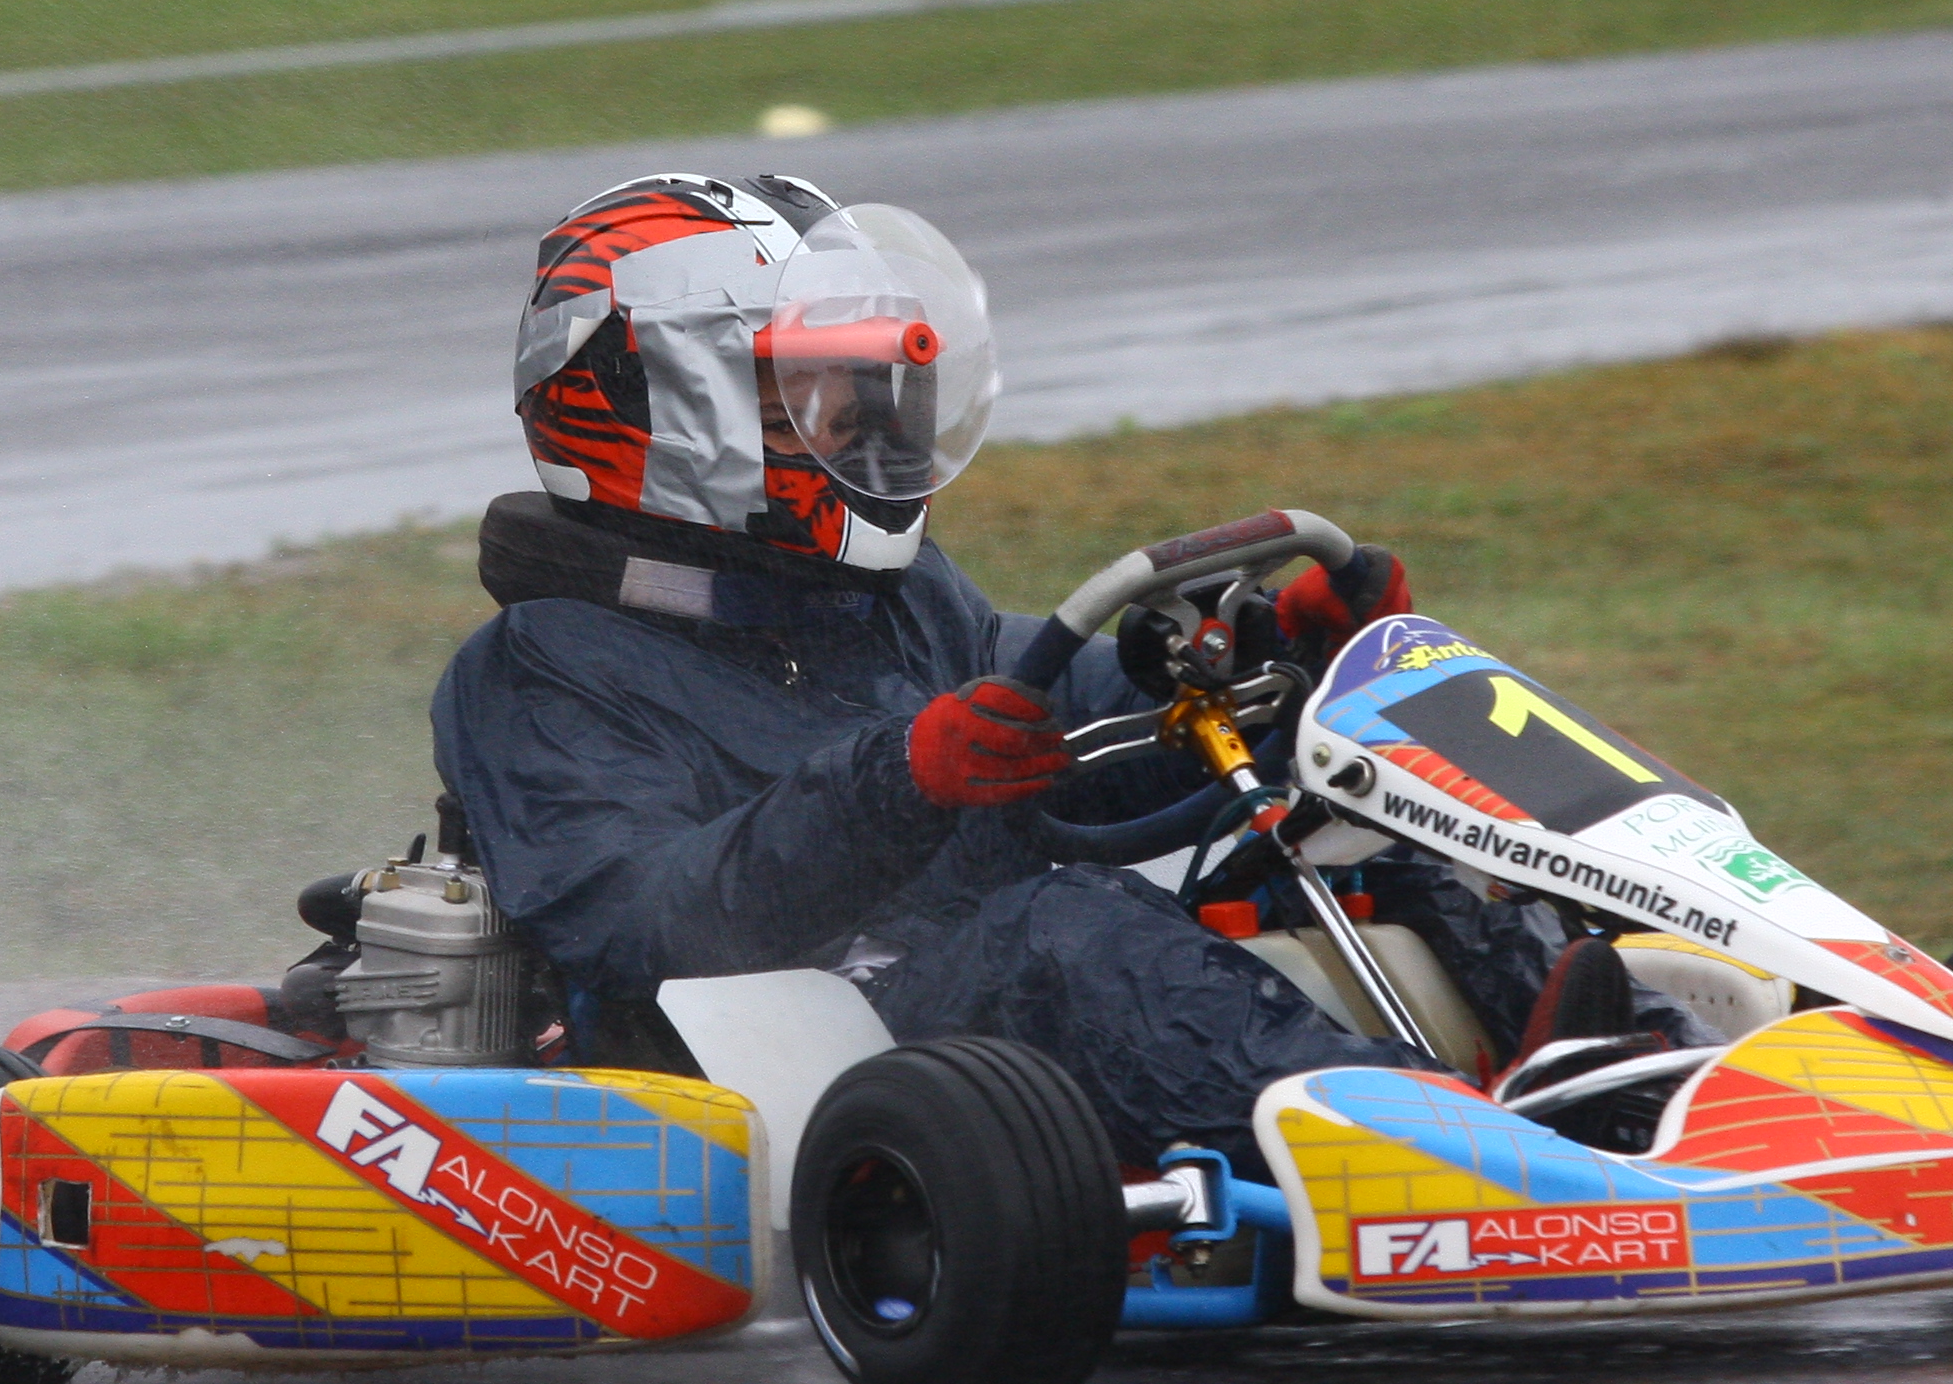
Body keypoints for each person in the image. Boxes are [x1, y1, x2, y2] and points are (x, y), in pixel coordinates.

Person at [428, 170, 1614, 1169]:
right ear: (641, 407)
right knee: (1067, 929)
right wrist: (893, 783)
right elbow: (645, 926)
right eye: (798, 401)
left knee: (1348, 830)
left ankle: (1624, 1079)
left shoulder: (881, 601)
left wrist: (1259, 660)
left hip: (977, 1017)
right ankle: (1449, 1160)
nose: (849, 431)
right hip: (792, 1056)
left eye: (856, 393)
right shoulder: (541, 670)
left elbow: (1059, 716)